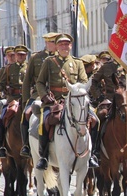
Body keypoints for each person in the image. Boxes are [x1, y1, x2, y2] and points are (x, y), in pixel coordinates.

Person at [34, 33, 91, 170]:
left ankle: (93, 154)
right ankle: (44, 156)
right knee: (44, 121)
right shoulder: (49, 61)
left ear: (70, 46)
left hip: (74, 101)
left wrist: (77, 91)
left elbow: (83, 81)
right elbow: (40, 83)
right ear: (57, 47)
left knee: (94, 120)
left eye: (67, 44)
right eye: (61, 44)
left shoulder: (77, 63)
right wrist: (44, 96)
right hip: (54, 101)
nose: (64, 47)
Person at [21, 33, 59, 158]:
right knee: (26, 114)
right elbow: (27, 81)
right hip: (39, 94)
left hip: (58, 96)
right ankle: (26, 145)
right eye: (51, 42)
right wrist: (25, 101)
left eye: (55, 42)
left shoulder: (62, 58)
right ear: (46, 43)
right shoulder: (36, 57)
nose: (53, 45)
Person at [0, 44, 29, 158]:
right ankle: (1, 145)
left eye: (22, 55)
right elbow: (2, 83)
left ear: (25, 56)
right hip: (12, 98)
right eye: (18, 54)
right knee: (2, 117)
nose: (20, 57)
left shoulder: (29, 67)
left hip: (26, 98)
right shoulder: (9, 68)